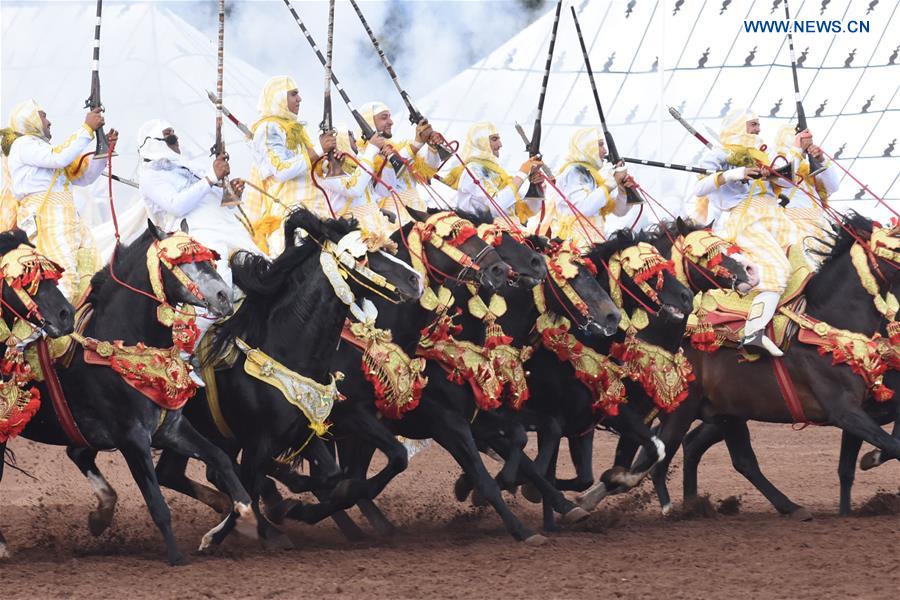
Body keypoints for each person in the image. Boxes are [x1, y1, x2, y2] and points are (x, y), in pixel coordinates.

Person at [137, 118, 261, 384]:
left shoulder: (185, 167)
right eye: (170, 139)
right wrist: (211, 177)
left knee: (266, 267)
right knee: (219, 288)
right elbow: (178, 205)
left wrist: (230, 193)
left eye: (175, 138)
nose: (176, 143)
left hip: (226, 228)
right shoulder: (150, 175)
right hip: (192, 237)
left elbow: (210, 199)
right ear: (155, 144)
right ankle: (181, 356)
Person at [694, 109, 801, 356]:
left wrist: (775, 167)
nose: (757, 129)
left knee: (805, 261)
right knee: (777, 269)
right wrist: (736, 173)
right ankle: (754, 331)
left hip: (775, 215)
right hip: (745, 218)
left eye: (758, 124)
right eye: (753, 125)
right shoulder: (719, 154)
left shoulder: (763, 150)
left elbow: (787, 181)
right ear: (740, 126)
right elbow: (700, 187)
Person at [7, 100, 117, 302]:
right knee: (64, 280)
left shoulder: (45, 151)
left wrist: (104, 151)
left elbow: (86, 177)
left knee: (90, 273)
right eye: (43, 116)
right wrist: (87, 129)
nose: (49, 122)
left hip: (69, 220)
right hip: (47, 221)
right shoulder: (23, 145)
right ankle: (50, 332)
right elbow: (59, 158)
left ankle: (82, 328)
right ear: (29, 119)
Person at [241, 75, 336, 254]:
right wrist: (318, 149)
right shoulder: (268, 128)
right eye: (293, 94)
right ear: (279, 98)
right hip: (291, 216)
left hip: (316, 209)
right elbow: (281, 170)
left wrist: (328, 163)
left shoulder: (294, 128)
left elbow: (307, 167)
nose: (299, 99)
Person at [538, 127, 632, 248]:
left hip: (595, 245)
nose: (605, 151)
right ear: (588, 147)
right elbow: (583, 209)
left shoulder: (594, 176)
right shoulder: (572, 172)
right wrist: (612, 182)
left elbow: (619, 211)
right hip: (573, 250)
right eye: (600, 145)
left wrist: (623, 190)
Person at [354, 101, 443, 221]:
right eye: (384, 118)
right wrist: (417, 144)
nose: (391, 122)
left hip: (422, 213)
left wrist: (433, 147)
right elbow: (382, 191)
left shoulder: (399, 148)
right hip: (396, 222)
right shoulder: (363, 158)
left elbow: (427, 171)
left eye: (390, 117)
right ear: (369, 123)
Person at [441, 121, 542, 222]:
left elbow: (529, 210)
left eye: (499, 139)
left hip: (508, 231)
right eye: (494, 139)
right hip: (481, 232)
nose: (500, 144)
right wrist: (522, 173)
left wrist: (535, 185)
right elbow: (496, 205)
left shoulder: (498, 172)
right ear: (480, 142)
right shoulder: (472, 170)